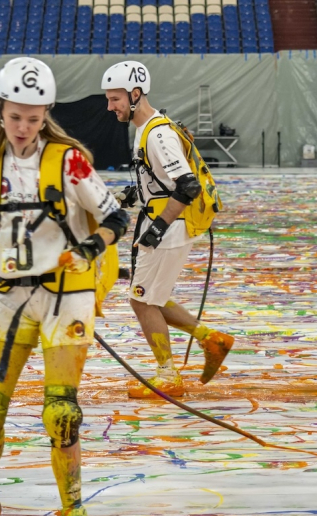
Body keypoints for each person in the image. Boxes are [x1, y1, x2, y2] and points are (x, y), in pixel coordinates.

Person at [0, 57, 131, 516]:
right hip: (13, 294)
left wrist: (91, 247)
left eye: (33, 119)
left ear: (46, 116)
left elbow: (117, 216)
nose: (22, 127)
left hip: (67, 296)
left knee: (61, 413)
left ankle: (72, 508)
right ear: (0, 110)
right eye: (15, 117)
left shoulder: (69, 161)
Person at [101, 60, 235, 398]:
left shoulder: (157, 133)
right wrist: (132, 196)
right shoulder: (146, 129)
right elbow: (161, 182)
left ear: (134, 94)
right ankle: (211, 339)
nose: (110, 106)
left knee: (142, 301)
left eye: (115, 99)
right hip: (165, 224)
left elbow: (186, 186)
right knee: (150, 297)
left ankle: (168, 375)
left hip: (168, 228)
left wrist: (158, 226)